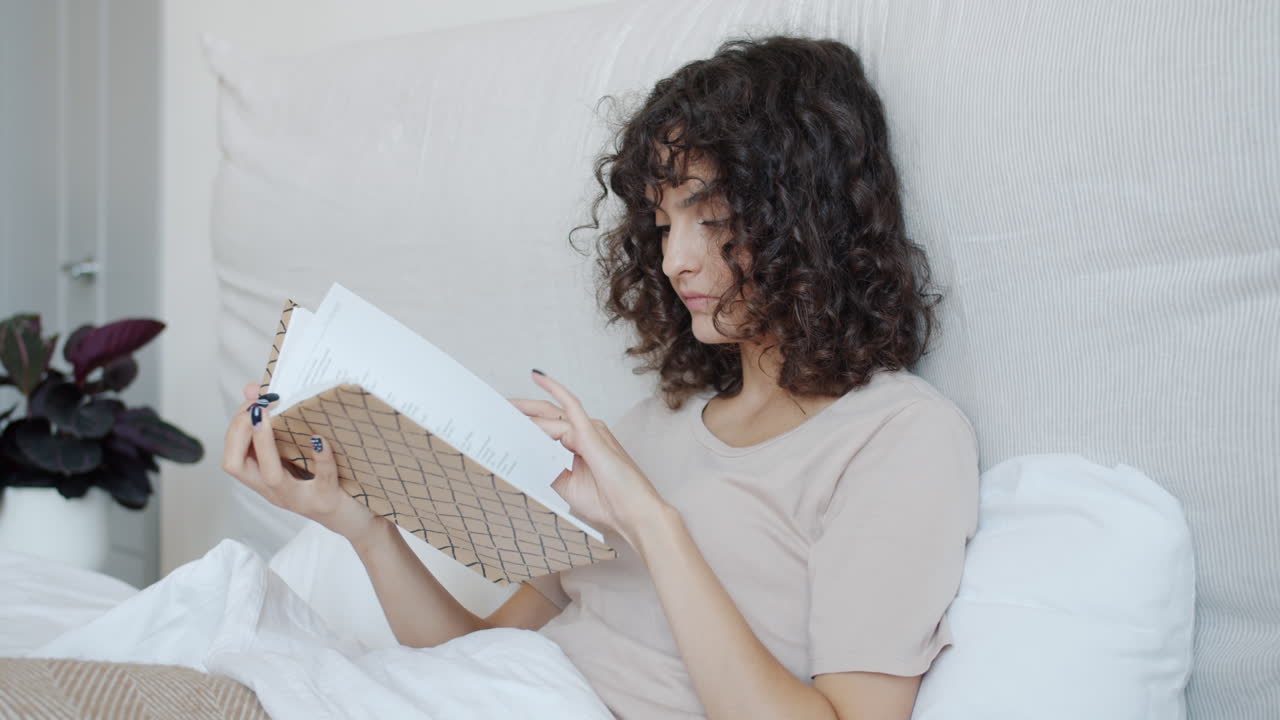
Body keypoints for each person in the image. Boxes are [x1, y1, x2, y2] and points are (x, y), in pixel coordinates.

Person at [223, 36, 978, 720]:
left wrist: (650, 521)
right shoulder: (649, 432)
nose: (677, 258)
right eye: (661, 225)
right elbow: (476, 660)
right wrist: (365, 528)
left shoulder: (897, 437)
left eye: (709, 217)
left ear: (808, 217)